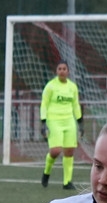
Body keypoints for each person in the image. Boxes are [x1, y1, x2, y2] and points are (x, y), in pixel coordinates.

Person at [40, 61, 83, 191]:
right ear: (56, 71)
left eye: (64, 68)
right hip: (54, 120)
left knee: (69, 151)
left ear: (68, 71)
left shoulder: (72, 87)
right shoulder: (51, 86)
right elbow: (44, 104)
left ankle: (67, 182)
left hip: (69, 120)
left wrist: (80, 122)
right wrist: (43, 122)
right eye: (60, 68)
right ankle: (46, 172)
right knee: (55, 151)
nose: (62, 71)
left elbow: (76, 105)